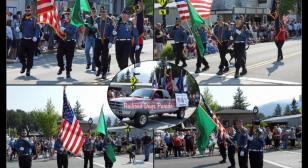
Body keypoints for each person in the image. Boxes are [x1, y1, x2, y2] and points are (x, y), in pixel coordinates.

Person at [15, 6, 40, 76]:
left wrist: (35, 36)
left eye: (28, 10)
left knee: (30, 56)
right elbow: (21, 27)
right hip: (24, 39)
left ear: (31, 11)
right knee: (19, 54)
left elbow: (37, 29)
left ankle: (28, 70)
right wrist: (18, 29)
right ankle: (24, 65)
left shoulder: (34, 19)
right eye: (26, 10)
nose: (27, 12)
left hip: (31, 41)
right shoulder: (23, 19)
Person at [94, 6, 114, 79]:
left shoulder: (110, 20)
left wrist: (111, 42)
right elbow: (93, 30)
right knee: (95, 57)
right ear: (100, 12)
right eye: (102, 12)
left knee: (104, 57)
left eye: (104, 12)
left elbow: (112, 32)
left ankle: (104, 72)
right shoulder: (96, 19)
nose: (103, 13)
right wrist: (94, 27)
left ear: (106, 12)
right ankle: (99, 67)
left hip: (106, 40)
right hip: (98, 40)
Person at [56, 8, 77, 78]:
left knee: (69, 58)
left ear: (71, 14)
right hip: (62, 41)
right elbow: (58, 30)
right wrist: (58, 30)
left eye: (68, 14)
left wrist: (65, 30)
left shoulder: (74, 22)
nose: (67, 15)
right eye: (66, 14)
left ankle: (68, 72)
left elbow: (72, 32)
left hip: (70, 42)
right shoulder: (62, 22)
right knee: (58, 55)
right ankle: (61, 67)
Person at [84, 7, 98, 71]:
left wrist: (96, 26)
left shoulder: (98, 19)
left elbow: (99, 27)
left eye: (94, 11)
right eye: (92, 11)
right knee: (86, 50)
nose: (93, 12)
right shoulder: (88, 18)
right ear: (91, 12)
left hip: (95, 37)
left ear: (96, 12)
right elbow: (85, 26)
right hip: (88, 36)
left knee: (95, 52)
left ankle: (94, 65)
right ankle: (88, 63)